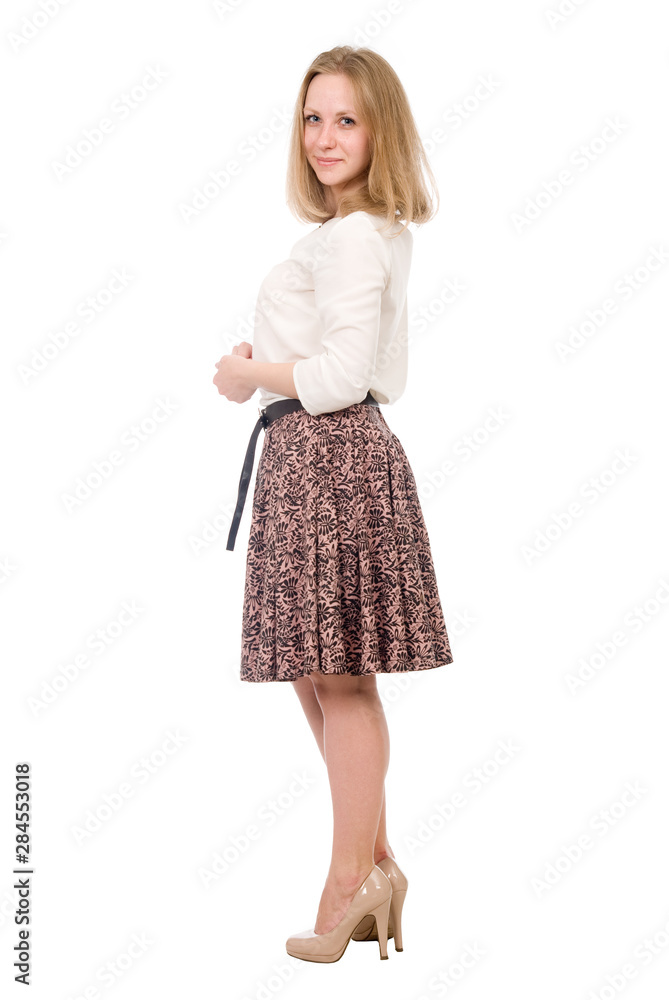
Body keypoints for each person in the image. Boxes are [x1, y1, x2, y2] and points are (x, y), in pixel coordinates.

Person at [212, 44, 454, 964]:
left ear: (380, 130)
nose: (323, 137)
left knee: (339, 677)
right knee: (321, 675)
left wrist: (249, 373)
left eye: (346, 119)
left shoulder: (355, 235)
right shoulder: (355, 231)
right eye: (313, 118)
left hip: (330, 456)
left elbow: (343, 375)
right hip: (309, 456)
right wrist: (265, 366)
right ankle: (376, 864)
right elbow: (327, 355)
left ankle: (350, 881)